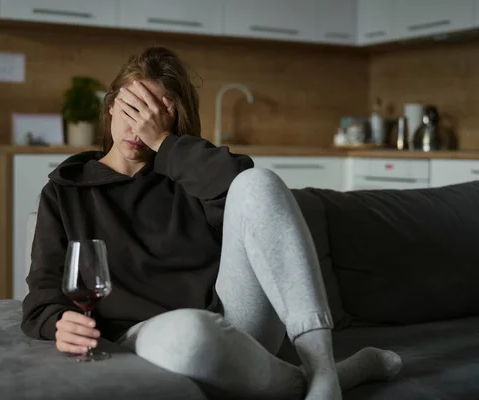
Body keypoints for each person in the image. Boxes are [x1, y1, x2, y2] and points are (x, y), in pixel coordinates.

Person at [21, 46, 402, 399]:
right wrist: (60, 323)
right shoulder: (64, 192)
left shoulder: (189, 172)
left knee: (259, 182)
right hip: (153, 337)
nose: (139, 126)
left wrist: (166, 143)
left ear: (174, 118)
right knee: (191, 335)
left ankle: (323, 372)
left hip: (235, 322)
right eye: (132, 108)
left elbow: (244, 184)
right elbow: (42, 299)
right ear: (111, 106)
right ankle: (330, 378)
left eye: (156, 113)